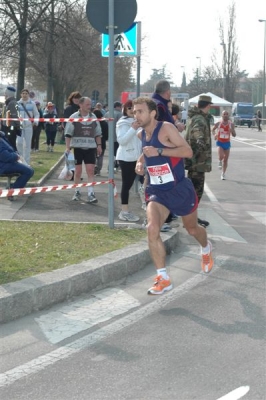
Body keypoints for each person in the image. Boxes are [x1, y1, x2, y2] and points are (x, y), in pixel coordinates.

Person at [133, 97, 213, 295]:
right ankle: (163, 278)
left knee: (192, 229)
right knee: (152, 228)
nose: (136, 115)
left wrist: (159, 150)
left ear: (152, 113)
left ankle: (206, 248)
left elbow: (187, 151)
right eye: (134, 112)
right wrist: (140, 162)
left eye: (140, 111)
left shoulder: (166, 128)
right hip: (157, 191)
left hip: (179, 189)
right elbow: (146, 152)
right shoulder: (140, 133)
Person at [64, 97, 102, 203]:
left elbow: (98, 133)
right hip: (77, 148)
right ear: (80, 105)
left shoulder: (93, 116)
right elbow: (68, 134)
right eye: (87, 105)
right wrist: (67, 148)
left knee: (90, 171)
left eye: (90, 104)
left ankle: (91, 193)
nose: (89, 107)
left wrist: (99, 145)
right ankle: (77, 191)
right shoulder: (74, 117)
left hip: (90, 148)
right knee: (78, 172)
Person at [184, 95, 213, 228]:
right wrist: (200, 141)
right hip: (197, 162)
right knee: (197, 191)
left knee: (193, 190)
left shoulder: (194, 117)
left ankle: (191, 217)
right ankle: (190, 219)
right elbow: (197, 132)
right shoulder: (200, 119)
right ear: (208, 106)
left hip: (194, 161)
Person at [116, 99, 142, 222]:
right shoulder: (123, 123)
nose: (132, 111)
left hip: (139, 157)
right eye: (129, 108)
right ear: (125, 110)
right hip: (126, 158)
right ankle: (124, 211)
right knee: (127, 184)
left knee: (145, 183)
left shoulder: (140, 121)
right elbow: (122, 140)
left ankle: (148, 209)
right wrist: (132, 129)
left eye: (134, 108)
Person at [0, 131, 34, 201]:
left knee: (29, 169)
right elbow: (5, 156)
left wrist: (16, 155)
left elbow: (9, 149)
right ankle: (13, 191)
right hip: (3, 165)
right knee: (28, 171)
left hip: (7, 162)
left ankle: (14, 188)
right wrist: (16, 156)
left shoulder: (2, 136)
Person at [212, 110, 236, 180]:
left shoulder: (231, 124)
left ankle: (223, 173)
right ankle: (219, 161)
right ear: (222, 115)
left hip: (227, 143)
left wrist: (232, 131)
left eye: (227, 114)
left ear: (228, 115)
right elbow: (213, 130)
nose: (225, 115)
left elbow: (234, 135)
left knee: (225, 159)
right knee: (221, 156)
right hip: (220, 142)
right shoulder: (218, 123)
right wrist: (215, 135)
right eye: (224, 114)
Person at [17, 88, 39, 165]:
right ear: (21, 94)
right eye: (23, 93)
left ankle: (26, 163)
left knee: (27, 145)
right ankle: (20, 161)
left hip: (29, 126)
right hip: (20, 126)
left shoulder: (32, 104)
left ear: (28, 94)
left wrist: (35, 122)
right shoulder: (18, 103)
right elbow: (15, 115)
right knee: (19, 143)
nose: (24, 95)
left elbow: (36, 114)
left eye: (26, 93)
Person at [0, 85, 21, 151]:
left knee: (11, 145)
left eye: (5, 93)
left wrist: (18, 127)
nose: (4, 94)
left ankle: (16, 158)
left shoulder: (12, 103)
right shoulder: (7, 103)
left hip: (10, 127)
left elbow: (15, 116)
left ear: (8, 93)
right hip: (5, 127)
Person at [105, 101, 122, 171]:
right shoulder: (119, 114)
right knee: (117, 153)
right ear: (118, 107)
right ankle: (114, 166)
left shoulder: (107, 114)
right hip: (117, 136)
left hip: (109, 136)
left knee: (111, 153)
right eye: (120, 107)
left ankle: (110, 167)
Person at [93, 109, 108, 176]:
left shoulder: (93, 122)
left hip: (93, 141)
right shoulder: (104, 123)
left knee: (93, 155)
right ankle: (98, 170)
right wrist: (105, 138)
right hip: (102, 141)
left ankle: (94, 166)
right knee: (100, 156)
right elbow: (107, 133)